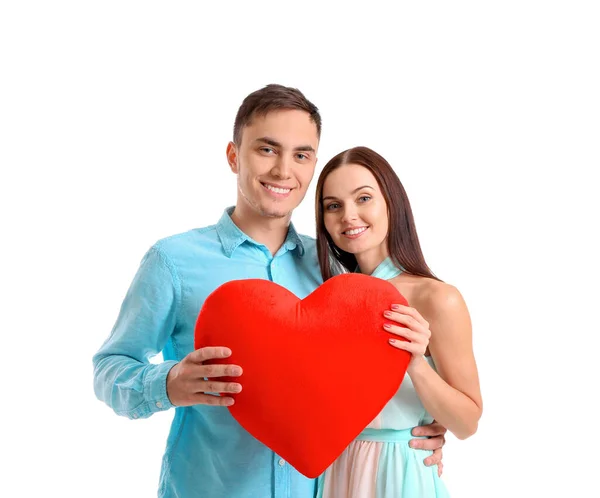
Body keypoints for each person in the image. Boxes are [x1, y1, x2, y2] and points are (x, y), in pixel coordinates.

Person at [92, 85, 447, 498]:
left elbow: (360, 380)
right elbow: (110, 367)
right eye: (266, 149)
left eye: (301, 154)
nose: (283, 170)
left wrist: (417, 432)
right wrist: (168, 383)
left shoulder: (337, 271)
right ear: (233, 156)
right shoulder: (173, 261)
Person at [314, 146, 483, 497]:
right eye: (334, 206)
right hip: (333, 472)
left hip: (400, 474)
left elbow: (467, 423)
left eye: (363, 198)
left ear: (392, 202)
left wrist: (415, 363)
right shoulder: (329, 296)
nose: (349, 215)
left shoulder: (436, 298)